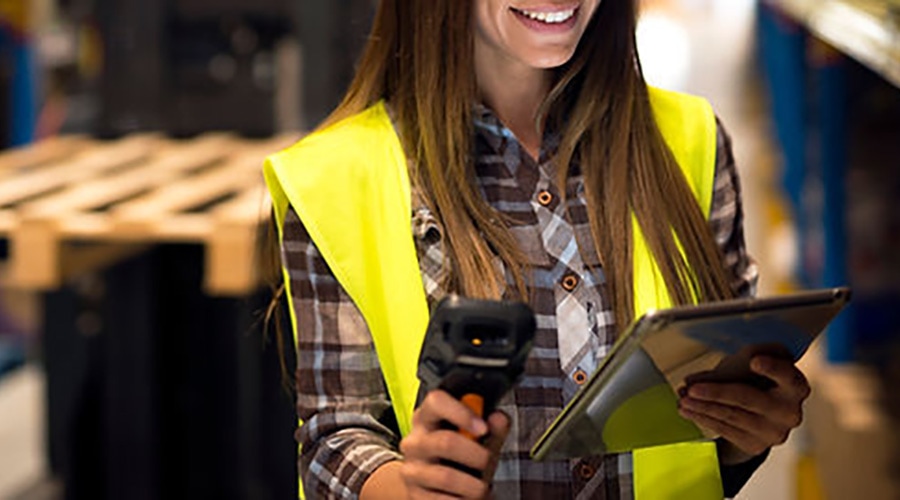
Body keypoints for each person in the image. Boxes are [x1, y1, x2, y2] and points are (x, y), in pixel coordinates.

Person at [263, 0, 812, 498]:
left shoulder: (689, 139)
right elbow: (334, 439)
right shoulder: (334, 179)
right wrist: (412, 489)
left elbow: (711, 434)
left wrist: (747, 431)